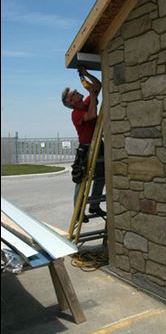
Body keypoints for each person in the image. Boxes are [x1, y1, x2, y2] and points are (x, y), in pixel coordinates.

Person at [61, 67, 106, 222]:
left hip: (98, 145)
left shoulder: (87, 102)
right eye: (73, 94)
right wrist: (92, 95)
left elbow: (98, 85)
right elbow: (92, 114)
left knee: (101, 176)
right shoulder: (76, 114)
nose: (76, 91)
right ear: (71, 102)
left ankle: (94, 205)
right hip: (86, 149)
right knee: (82, 180)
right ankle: (79, 211)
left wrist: (86, 75)